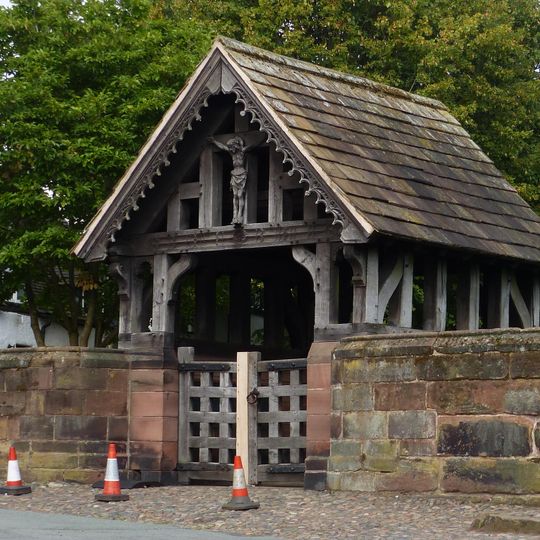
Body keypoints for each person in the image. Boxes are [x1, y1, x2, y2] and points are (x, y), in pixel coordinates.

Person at [208, 135, 259, 225]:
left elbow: (252, 146)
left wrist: (262, 138)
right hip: (234, 174)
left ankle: (240, 215)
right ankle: (234, 216)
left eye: (232, 147)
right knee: (235, 195)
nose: (231, 149)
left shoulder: (242, 152)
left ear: (236, 146)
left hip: (242, 174)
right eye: (230, 148)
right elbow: (223, 147)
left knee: (240, 195)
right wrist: (214, 141)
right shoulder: (232, 153)